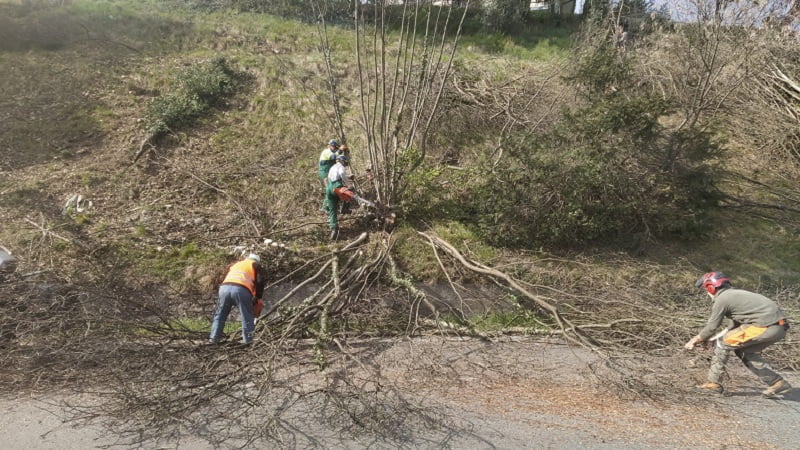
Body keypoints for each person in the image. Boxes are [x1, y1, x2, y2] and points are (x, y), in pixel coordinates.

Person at [685, 272, 792, 398]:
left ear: (711, 287)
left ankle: (713, 384)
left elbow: (711, 326)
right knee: (745, 351)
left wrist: (696, 339)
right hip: (778, 327)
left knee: (723, 343)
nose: (707, 293)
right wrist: (713, 338)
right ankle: (777, 383)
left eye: (706, 289)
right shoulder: (736, 296)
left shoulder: (722, 299)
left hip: (765, 325)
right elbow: (734, 327)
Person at [209, 253, 267, 345]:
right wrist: (258, 297)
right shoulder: (255, 265)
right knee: (247, 316)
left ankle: (213, 338)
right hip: (241, 290)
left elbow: (226, 277)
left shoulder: (237, 264)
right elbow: (260, 281)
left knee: (220, 315)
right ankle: (248, 341)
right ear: (257, 261)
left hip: (224, 289)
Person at [324, 154, 351, 240]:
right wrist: (349, 184)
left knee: (333, 210)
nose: (345, 165)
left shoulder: (332, 167)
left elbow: (329, 177)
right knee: (349, 194)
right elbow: (342, 173)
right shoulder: (341, 167)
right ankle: (345, 208)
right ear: (342, 161)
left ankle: (334, 229)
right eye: (345, 163)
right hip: (336, 186)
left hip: (329, 189)